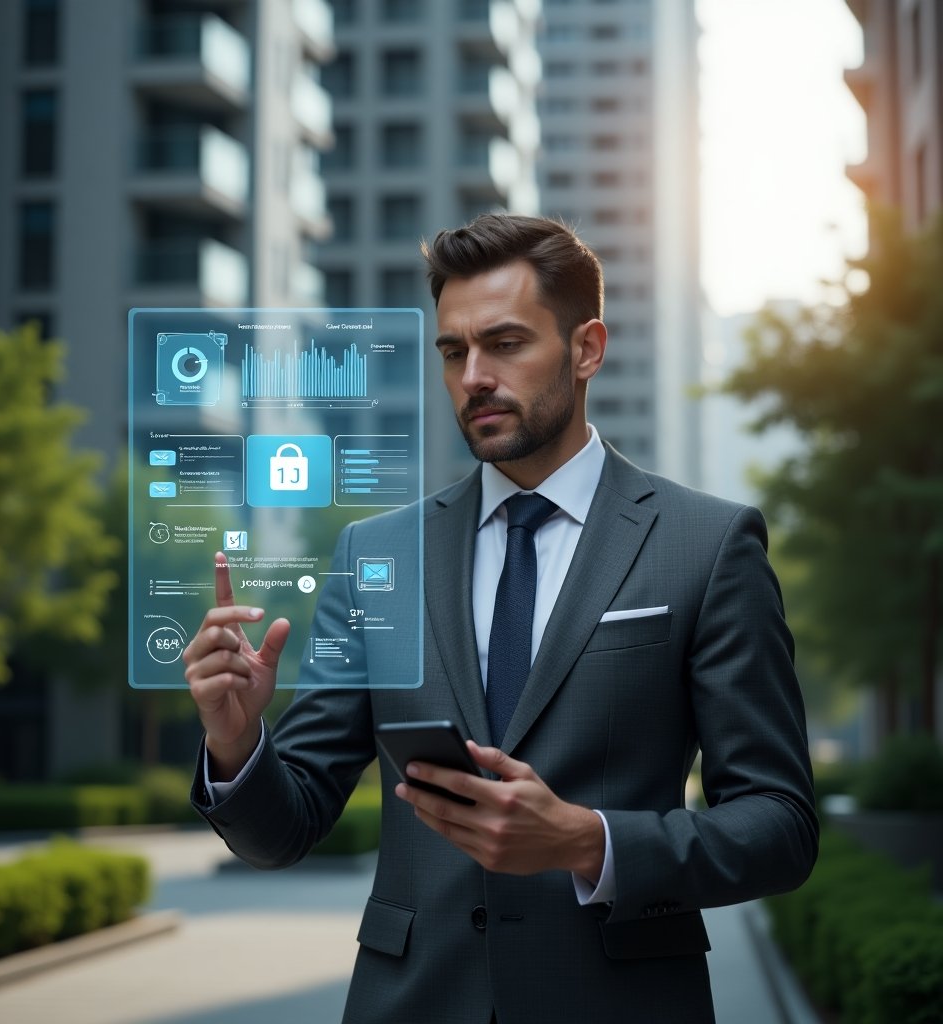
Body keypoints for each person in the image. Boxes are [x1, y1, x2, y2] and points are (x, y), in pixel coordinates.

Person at [183, 214, 818, 1024]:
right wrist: (237, 743)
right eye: (454, 351)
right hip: (413, 1003)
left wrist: (590, 840)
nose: (474, 375)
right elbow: (287, 827)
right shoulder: (377, 553)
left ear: (587, 348)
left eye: (506, 343)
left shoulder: (708, 545)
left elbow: (780, 825)